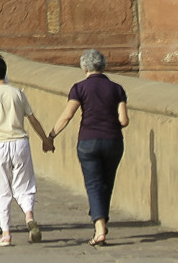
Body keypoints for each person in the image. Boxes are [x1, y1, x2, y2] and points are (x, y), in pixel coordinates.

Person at [44, 48, 129, 246]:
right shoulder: (117, 88)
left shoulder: (79, 88)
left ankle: (99, 229)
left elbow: (67, 115)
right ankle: (102, 221)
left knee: (93, 184)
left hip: (88, 141)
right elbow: (124, 121)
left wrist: (51, 135)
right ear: (103, 65)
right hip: (113, 141)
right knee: (107, 183)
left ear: (84, 67)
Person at [0, 55, 50, 245]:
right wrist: (45, 139)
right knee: (25, 184)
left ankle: (6, 233)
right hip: (20, 142)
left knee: (1, 186)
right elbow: (33, 119)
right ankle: (28, 215)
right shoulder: (18, 93)